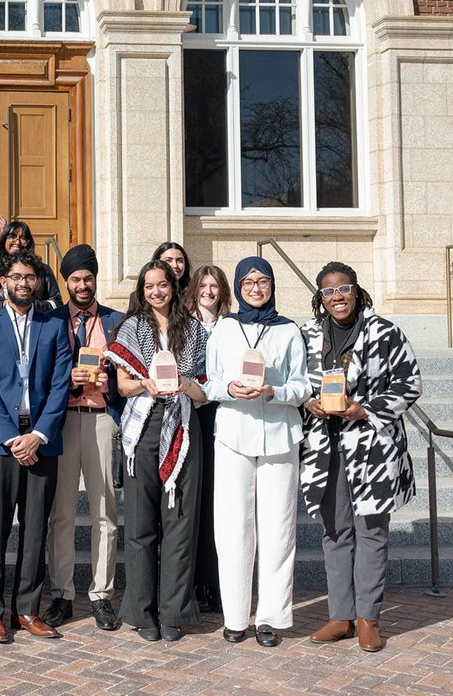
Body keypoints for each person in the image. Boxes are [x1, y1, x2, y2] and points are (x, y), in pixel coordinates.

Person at [300, 262, 421, 653]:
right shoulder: (307, 335)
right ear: (320, 298)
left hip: (372, 446)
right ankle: (340, 616)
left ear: (356, 291)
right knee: (335, 531)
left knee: (371, 530)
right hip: (325, 447)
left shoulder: (385, 332)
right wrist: (309, 401)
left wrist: (365, 409)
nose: (337, 296)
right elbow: (296, 382)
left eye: (344, 288)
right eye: (329, 291)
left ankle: (369, 618)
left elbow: (410, 384)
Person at [204, 257, 310, 647]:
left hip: (280, 437)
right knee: (233, 527)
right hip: (234, 434)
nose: (255, 288)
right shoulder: (225, 329)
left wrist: (274, 391)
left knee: (278, 529)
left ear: (272, 286)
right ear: (238, 286)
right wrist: (229, 388)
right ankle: (235, 617)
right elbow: (210, 382)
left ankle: (271, 617)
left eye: (262, 281)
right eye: (248, 282)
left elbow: (303, 386)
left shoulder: (288, 330)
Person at [104, 260, 208, 642]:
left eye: (162, 284)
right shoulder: (132, 328)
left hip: (182, 425)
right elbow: (123, 386)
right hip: (143, 428)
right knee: (140, 526)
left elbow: (205, 390)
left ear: (173, 286)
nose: (156, 292)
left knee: (180, 524)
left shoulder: (194, 330)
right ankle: (142, 612)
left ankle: (173, 613)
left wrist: (184, 383)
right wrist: (146, 383)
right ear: (142, 291)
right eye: (148, 286)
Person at [0, 252, 72, 643]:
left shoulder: (54, 326)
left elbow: (61, 384)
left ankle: (27, 609)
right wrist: (12, 437)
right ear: (4, 282)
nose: (23, 283)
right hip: (1, 444)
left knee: (35, 529)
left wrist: (39, 434)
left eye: (30, 277)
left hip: (42, 441)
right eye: (16, 276)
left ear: (39, 282)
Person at [43, 245, 126, 632]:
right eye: (75, 279)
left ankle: (101, 593)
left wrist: (112, 383)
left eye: (88, 278)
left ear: (95, 279)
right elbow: (40, 373)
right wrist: (66, 379)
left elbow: (130, 374)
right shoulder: (51, 321)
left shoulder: (116, 322)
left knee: (104, 511)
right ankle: (61, 592)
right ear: (66, 282)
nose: (82, 285)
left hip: (100, 419)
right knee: (60, 512)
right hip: (61, 422)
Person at [182, 264, 232, 614]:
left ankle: (215, 583)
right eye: (203, 286)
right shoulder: (184, 326)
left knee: (218, 502)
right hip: (191, 415)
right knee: (195, 501)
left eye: (215, 286)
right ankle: (194, 581)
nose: (209, 292)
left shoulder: (232, 327)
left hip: (223, 414)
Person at [0, 221, 63, 312]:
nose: (18, 242)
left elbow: (57, 303)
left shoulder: (43, 270)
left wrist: (28, 305)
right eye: (12, 236)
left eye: (23, 238)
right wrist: (3, 305)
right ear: (4, 239)